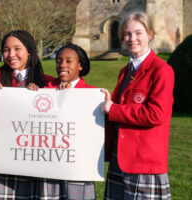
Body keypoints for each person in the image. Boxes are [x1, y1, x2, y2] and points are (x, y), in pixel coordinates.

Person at [101, 12, 174, 200]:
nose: (132, 39)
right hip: (121, 157)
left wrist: (113, 109)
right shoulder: (125, 71)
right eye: (127, 34)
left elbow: (156, 114)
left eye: (138, 33)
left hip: (143, 161)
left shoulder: (162, 70)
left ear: (150, 34)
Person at [0, 30, 59, 200]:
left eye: (17, 49)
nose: (11, 55)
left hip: (31, 160)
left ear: (29, 51)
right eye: (6, 50)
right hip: (0, 155)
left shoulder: (47, 81)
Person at [28, 43, 97, 200]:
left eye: (68, 61)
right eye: (59, 60)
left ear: (80, 65)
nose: (62, 65)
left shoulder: (92, 94)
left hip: (78, 166)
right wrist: (30, 96)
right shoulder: (44, 89)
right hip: (49, 166)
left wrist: (70, 97)